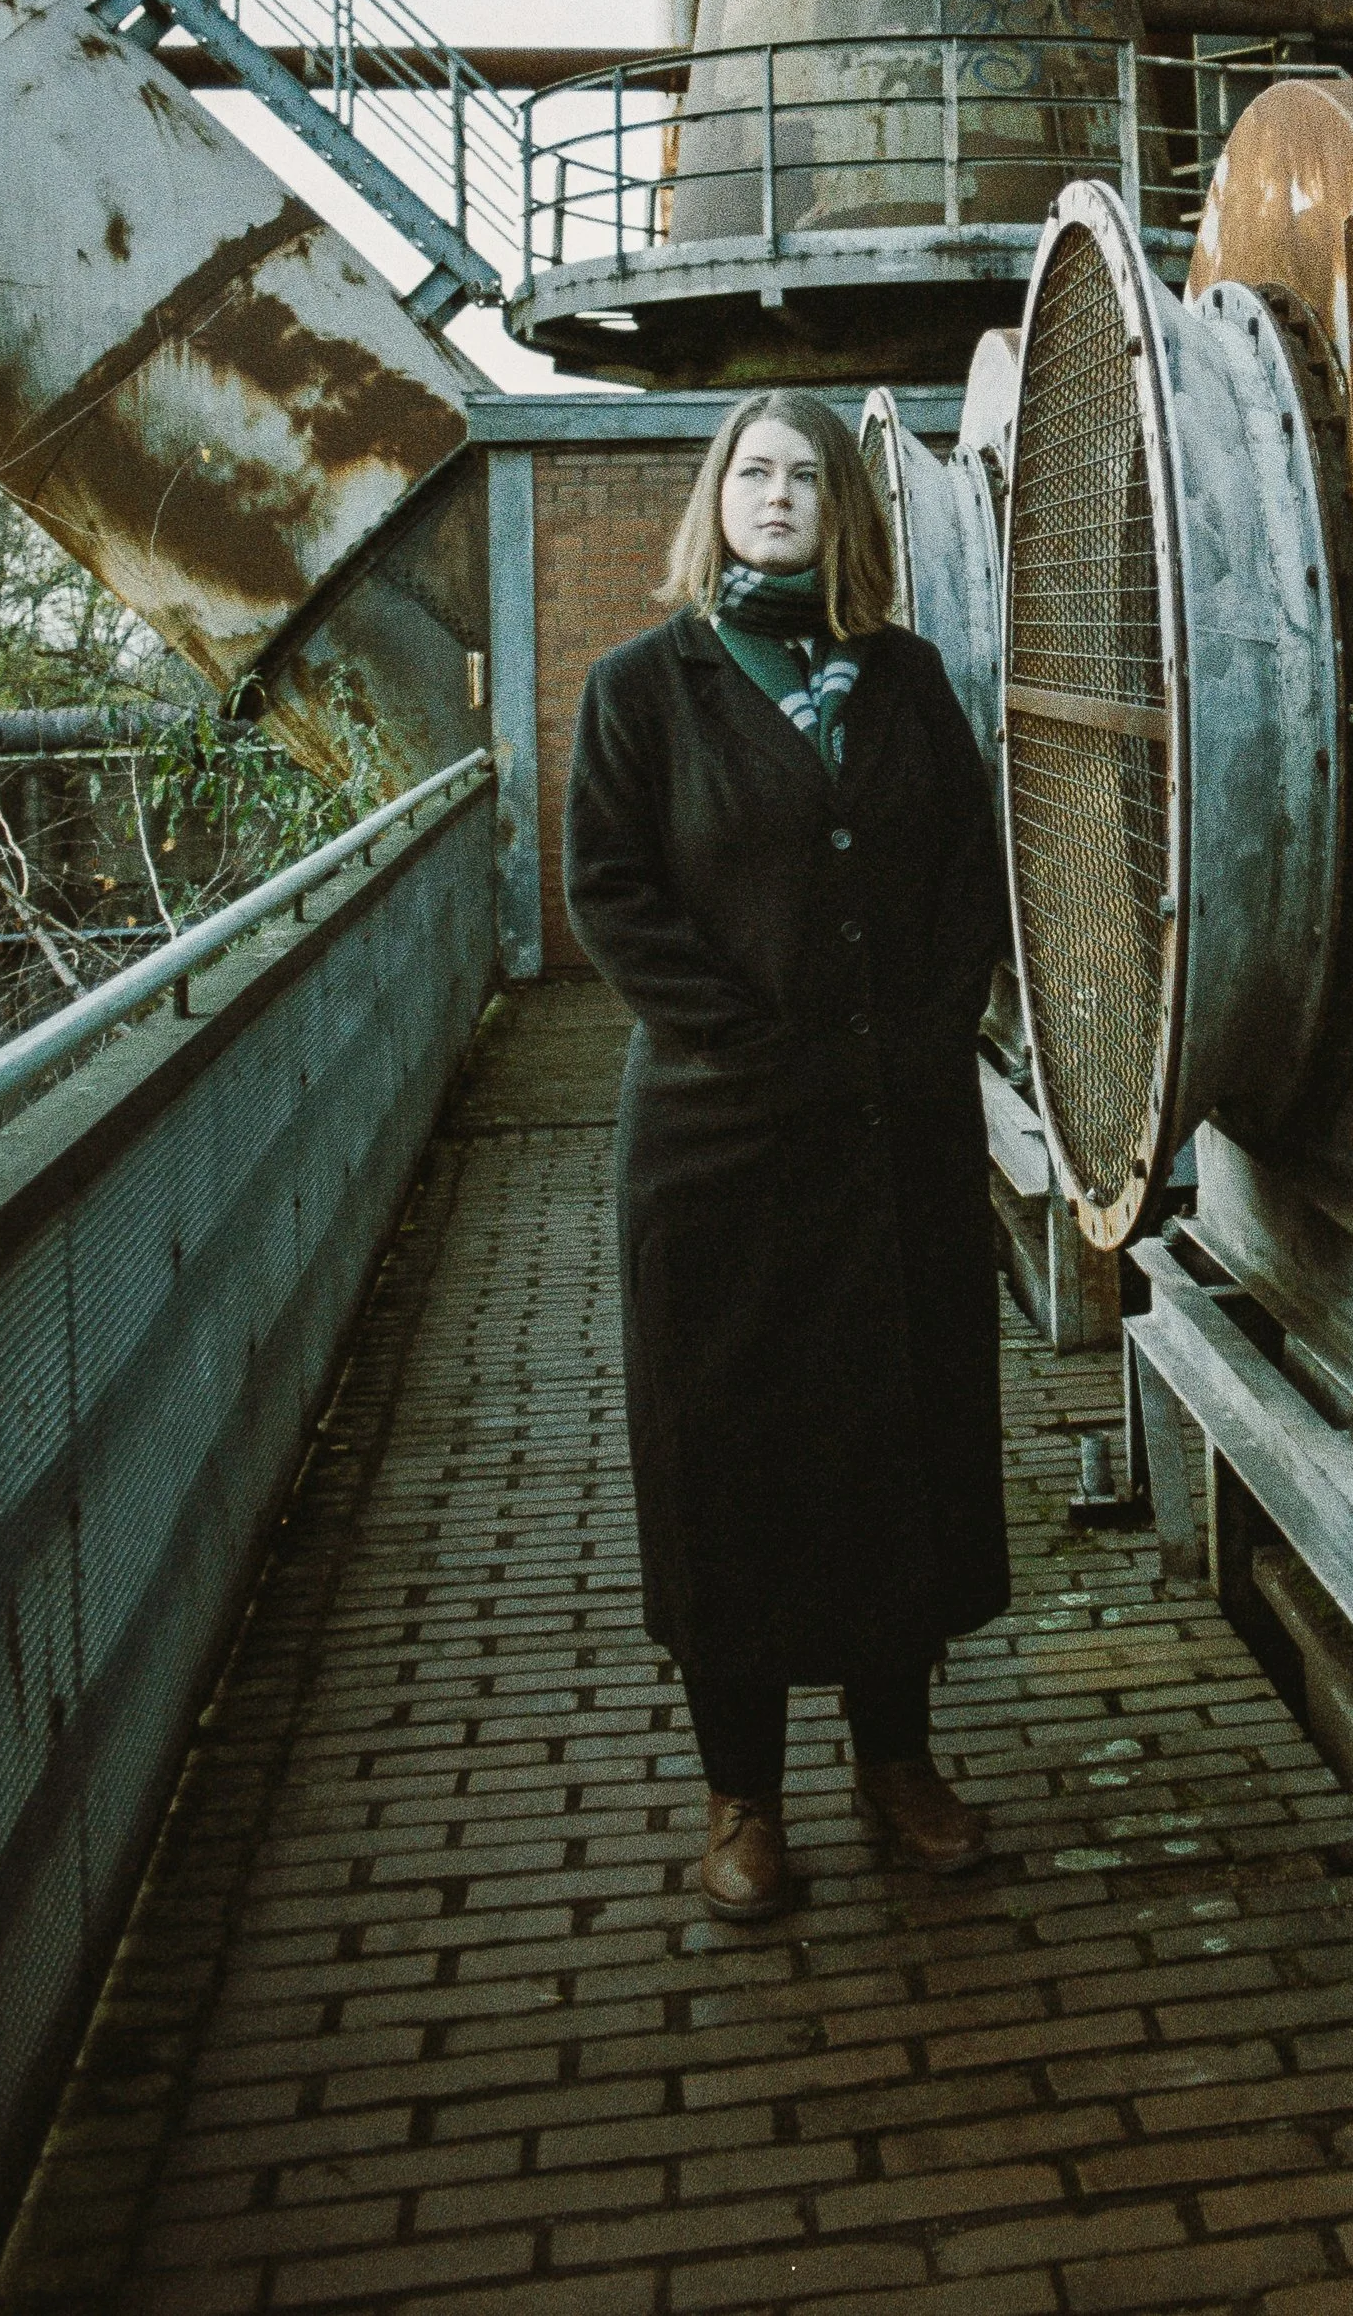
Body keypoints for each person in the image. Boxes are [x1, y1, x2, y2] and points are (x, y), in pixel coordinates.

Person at [563, 390, 1011, 1923]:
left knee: (896, 1436)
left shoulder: (907, 680)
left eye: (802, 474)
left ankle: (899, 1761)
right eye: (750, 472)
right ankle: (742, 1795)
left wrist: (937, 1022)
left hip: (895, 1141)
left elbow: (970, 866)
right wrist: (748, 1049)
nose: (773, 495)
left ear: (843, 509)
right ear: (717, 497)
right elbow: (610, 895)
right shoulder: (642, 689)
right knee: (731, 1456)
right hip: (719, 1147)